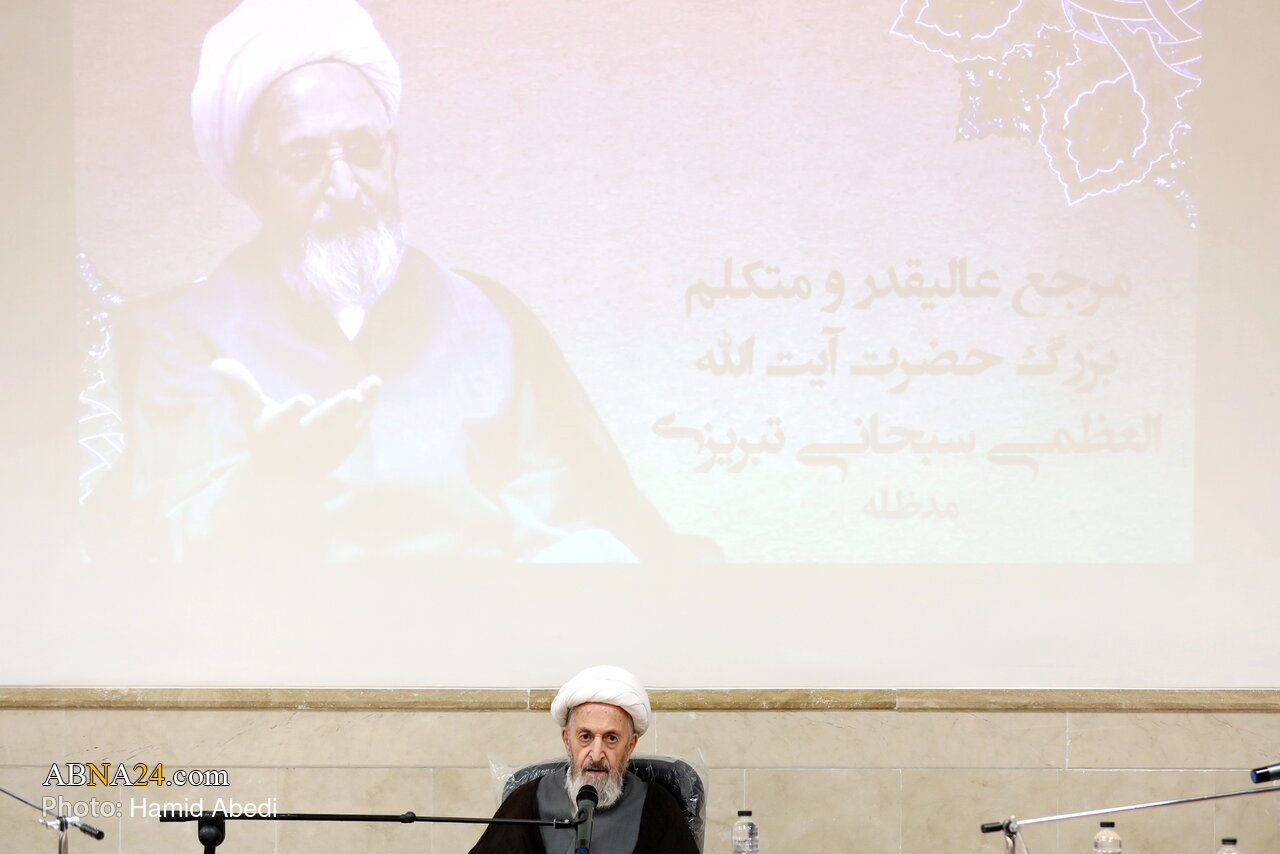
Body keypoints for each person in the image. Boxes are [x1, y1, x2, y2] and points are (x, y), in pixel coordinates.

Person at [126, 0, 712, 563]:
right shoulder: (190, 336)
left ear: (394, 154)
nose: (346, 189)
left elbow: (555, 523)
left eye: (363, 150)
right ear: (254, 184)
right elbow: (173, 547)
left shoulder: (481, 314)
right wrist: (269, 480)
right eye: (305, 161)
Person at [468, 665, 700, 854]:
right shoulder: (527, 801)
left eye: (611, 738)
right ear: (567, 740)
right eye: (585, 737)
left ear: (630, 745)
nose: (596, 755)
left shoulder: (657, 806)